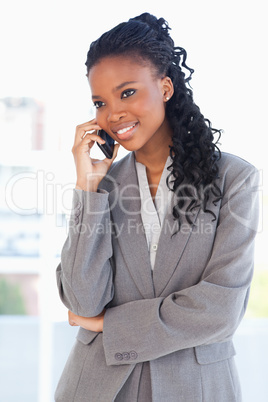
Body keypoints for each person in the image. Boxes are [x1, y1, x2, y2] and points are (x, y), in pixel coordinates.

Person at [55, 12, 259, 402]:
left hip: (194, 388)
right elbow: (83, 301)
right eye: (100, 101)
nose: (113, 114)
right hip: (99, 388)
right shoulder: (104, 187)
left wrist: (110, 326)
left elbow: (221, 310)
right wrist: (87, 188)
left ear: (165, 87)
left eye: (127, 92)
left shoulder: (235, 179)